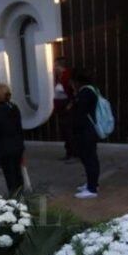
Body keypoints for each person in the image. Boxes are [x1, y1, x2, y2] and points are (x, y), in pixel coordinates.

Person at [0, 84, 24, 196]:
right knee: (17, 173)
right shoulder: (14, 107)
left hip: (4, 147)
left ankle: (15, 198)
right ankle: (20, 194)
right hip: (17, 145)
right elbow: (19, 127)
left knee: (9, 175)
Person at [70, 68, 101, 199]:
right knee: (90, 157)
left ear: (78, 81)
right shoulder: (92, 89)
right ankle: (92, 183)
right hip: (89, 129)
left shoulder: (85, 92)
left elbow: (79, 113)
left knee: (89, 158)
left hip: (86, 130)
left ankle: (92, 189)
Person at [54, 57, 75, 161]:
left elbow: (73, 92)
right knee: (65, 132)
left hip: (67, 107)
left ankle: (73, 154)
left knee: (69, 131)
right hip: (61, 107)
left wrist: (70, 105)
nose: (54, 68)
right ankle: (69, 152)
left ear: (60, 66)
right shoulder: (59, 77)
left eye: (55, 65)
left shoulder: (67, 76)